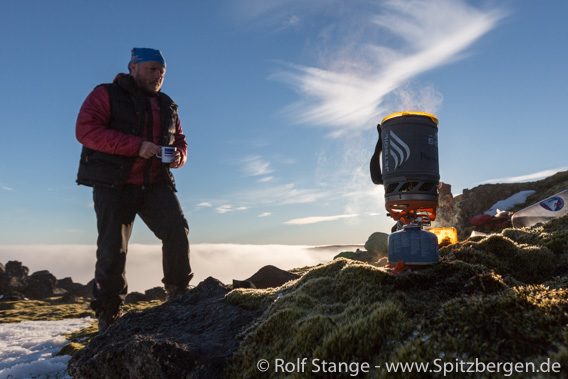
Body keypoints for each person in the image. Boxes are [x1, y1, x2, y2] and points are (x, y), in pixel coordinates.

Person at [75, 48, 193, 332]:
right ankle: (108, 314)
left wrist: (178, 156)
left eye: (161, 72)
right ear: (133, 67)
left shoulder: (168, 105)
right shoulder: (106, 94)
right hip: (114, 185)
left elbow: (181, 141)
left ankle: (179, 295)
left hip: (154, 183)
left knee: (177, 230)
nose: (157, 76)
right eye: (152, 69)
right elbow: (86, 130)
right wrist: (136, 146)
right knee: (112, 249)